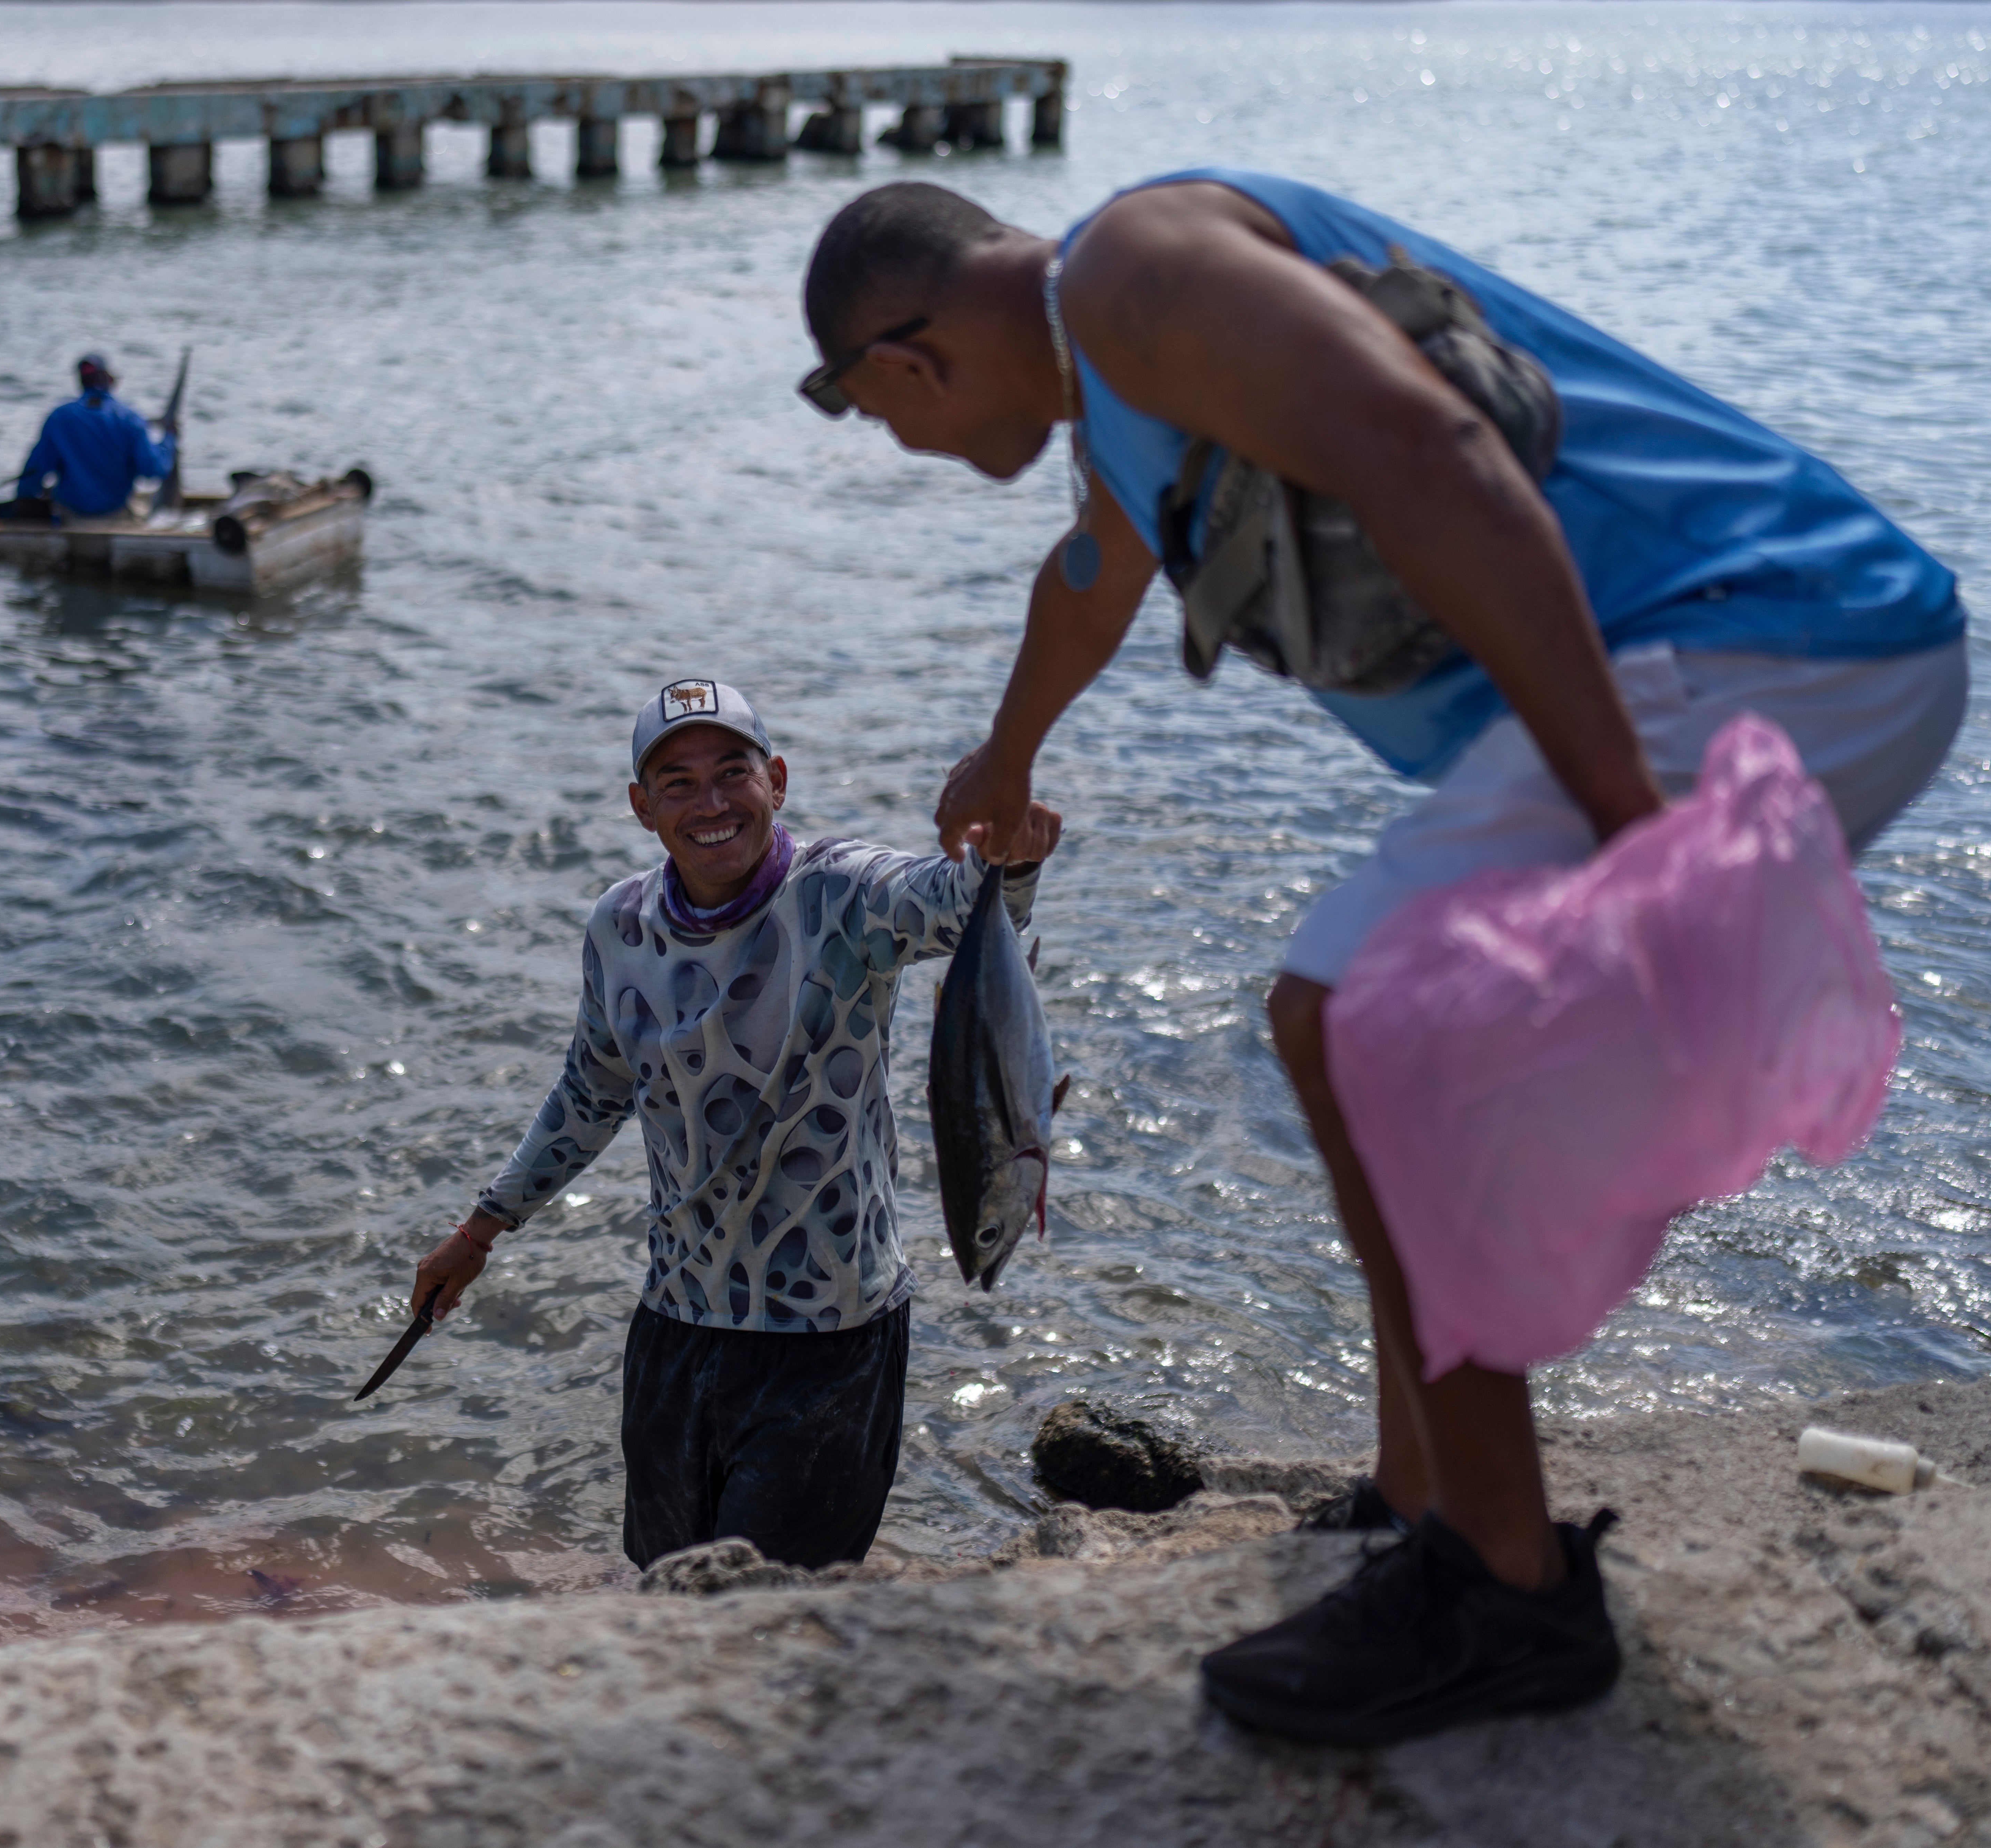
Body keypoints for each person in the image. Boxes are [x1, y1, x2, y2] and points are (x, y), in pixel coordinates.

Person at [796, 173, 1965, 1744]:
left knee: (1349, 1018)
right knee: (1341, 1025)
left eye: (872, 418)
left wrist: (1629, 820)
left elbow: (1436, 452)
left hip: (1760, 630)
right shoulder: (1124, 383)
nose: (903, 446)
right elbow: (1092, 577)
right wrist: (1005, 756)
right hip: (1774, 639)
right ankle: (1424, 1506)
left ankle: (1502, 1585)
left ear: (904, 362)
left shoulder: (1142, 272)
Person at [408, 678, 1063, 1570]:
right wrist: (482, 1226)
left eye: (732, 771)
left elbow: (957, 901)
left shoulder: (845, 895)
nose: (709, 802)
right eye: (676, 781)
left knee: (768, 1614)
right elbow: (591, 1093)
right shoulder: (620, 925)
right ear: (642, 807)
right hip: (676, 1326)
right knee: (665, 1590)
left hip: (832, 1338)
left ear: (778, 779)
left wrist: (1010, 860)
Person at [14, 352, 177, 520]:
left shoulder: (60, 418)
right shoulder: (129, 418)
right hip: (116, 517)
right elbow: (153, 470)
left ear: (81, 382)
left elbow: (33, 475)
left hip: (70, 519)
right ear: (110, 380)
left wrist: (23, 508)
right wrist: (169, 441)